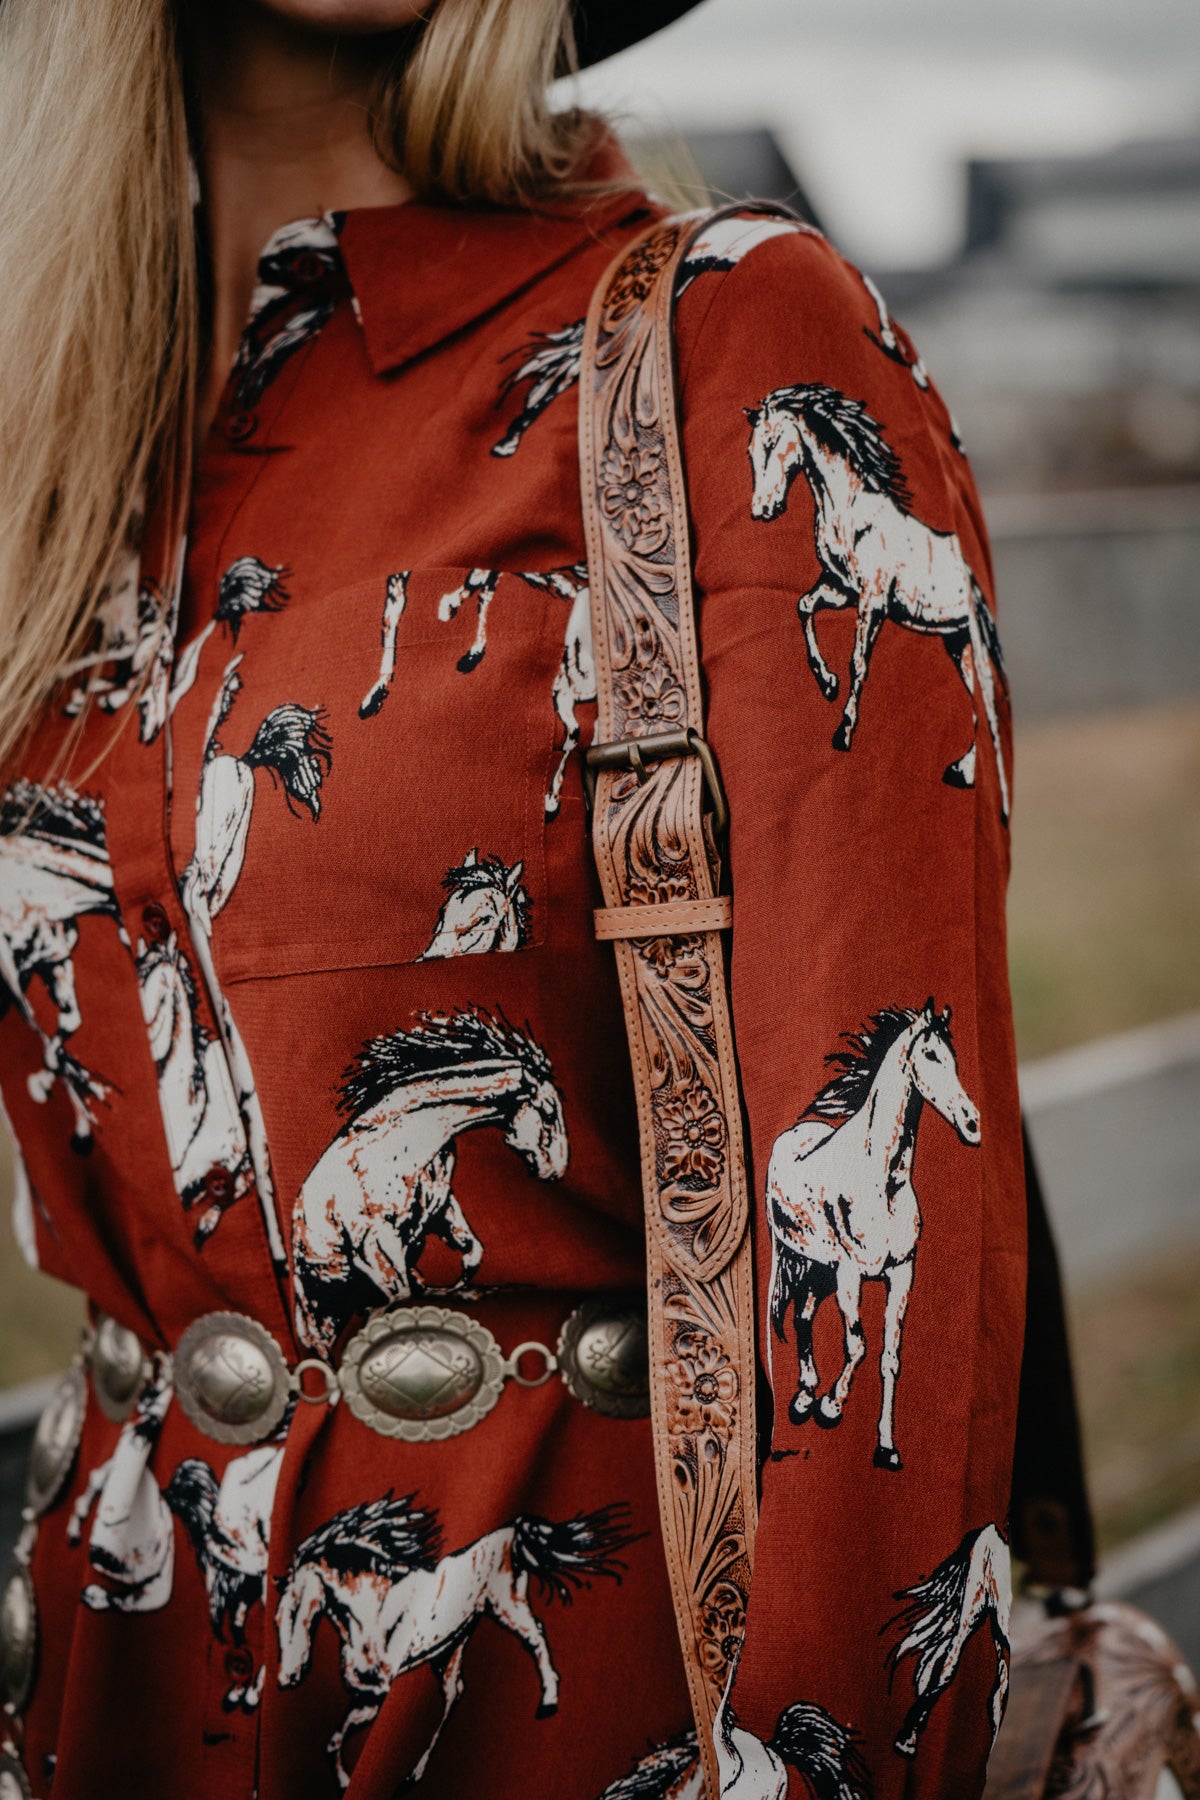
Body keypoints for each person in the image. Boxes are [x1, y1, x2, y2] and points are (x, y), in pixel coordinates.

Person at [0, 1, 1025, 1795]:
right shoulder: (51, 435)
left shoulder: (727, 336)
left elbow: (898, 1290)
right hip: (113, 1692)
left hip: (579, 1713)